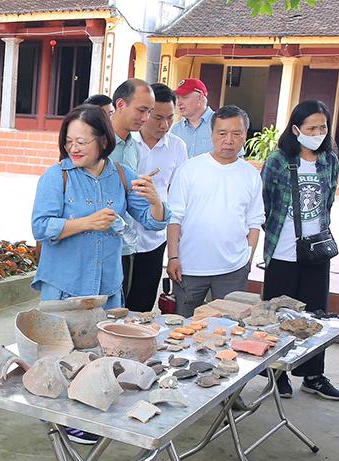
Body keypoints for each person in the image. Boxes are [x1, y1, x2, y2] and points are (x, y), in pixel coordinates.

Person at [32, 104, 169, 444]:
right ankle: (63, 419)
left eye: (82, 141)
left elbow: (152, 221)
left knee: (98, 353)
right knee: (61, 356)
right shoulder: (57, 176)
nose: (73, 148)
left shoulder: (120, 174)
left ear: (102, 141)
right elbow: (40, 226)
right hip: (64, 285)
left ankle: (87, 414)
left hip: (106, 286)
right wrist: (85, 223)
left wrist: (155, 200)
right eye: (68, 141)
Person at [259, 100, 339, 401]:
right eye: (311, 128)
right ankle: (276, 372)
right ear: (296, 130)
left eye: (322, 127)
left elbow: (329, 201)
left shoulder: (330, 161)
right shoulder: (279, 160)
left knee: (315, 315)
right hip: (282, 251)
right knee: (279, 315)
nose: (318, 133)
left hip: (316, 250)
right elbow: (265, 202)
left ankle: (313, 374)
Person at [166, 106, 264, 317]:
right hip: (189, 268)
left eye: (236, 133)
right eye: (222, 133)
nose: (229, 140)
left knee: (229, 329)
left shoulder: (251, 175)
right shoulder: (189, 169)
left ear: (245, 135)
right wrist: (173, 257)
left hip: (233, 269)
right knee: (182, 327)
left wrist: (247, 258)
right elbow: (174, 217)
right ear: (212, 134)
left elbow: (255, 221)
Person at [126, 83, 187, 312]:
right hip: (124, 235)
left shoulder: (177, 147)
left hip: (155, 237)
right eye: (158, 117)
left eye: (170, 118)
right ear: (145, 113)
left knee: (142, 303)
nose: (165, 125)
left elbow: (177, 194)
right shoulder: (127, 142)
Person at [109, 78, 155, 297]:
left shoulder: (134, 147)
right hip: (98, 246)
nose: (146, 118)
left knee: (117, 314)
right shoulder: (96, 143)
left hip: (125, 244)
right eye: (142, 110)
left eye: (149, 111)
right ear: (120, 104)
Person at [171, 78, 215, 158]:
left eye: (184, 97)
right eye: (178, 98)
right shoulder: (176, 130)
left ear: (200, 97)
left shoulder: (220, 124)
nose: (179, 103)